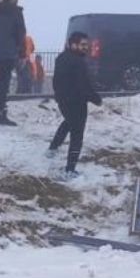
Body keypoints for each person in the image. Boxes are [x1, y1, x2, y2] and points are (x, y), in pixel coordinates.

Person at [48, 32, 102, 175]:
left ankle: (53, 148)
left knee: (68, 123)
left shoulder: (61, 58)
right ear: (73, 44)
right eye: (83, 45)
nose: (86, 48)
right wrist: (96, 99)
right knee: (77, 135)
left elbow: (57, 82)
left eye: (86, 45)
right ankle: (70, 169)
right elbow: (83, 86)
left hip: (63, 101)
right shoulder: (78, 62)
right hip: (77, 103)